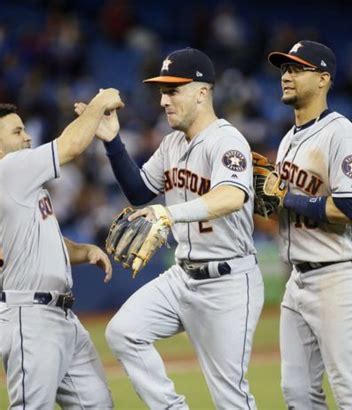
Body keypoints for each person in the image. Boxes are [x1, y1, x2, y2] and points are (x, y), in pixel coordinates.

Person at [86, 48, 264, 409]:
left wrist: (169, 214)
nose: (164, 100)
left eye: (173, 90)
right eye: (162, 92)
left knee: (230, 398)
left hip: (227, 282)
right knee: (123, 333)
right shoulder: (171, 143)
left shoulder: (227, 141)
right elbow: (139, 192)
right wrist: (113, 142)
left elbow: (231, 196)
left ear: (202, 92)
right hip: (182, 276)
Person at [266, 40, 352, 408]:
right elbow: (285, 205)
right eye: (284, 69)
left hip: (341, 275)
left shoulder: (341, 133)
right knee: (297, 393)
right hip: (298, 278)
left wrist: (287, 199)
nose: (286, 76)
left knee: (351, 392)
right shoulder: (287, 140)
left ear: (323, 79)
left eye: (296, 69)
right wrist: (261, 199)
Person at [0, 89, 123, 409]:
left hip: (61, 316)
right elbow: (70, 145)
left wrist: (83, 251)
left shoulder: (23, 184)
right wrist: (99, 103)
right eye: (17, 131)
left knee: (97, 404)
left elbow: (37, 242)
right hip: (31, 316)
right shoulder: (9, 169)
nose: (27, 137)